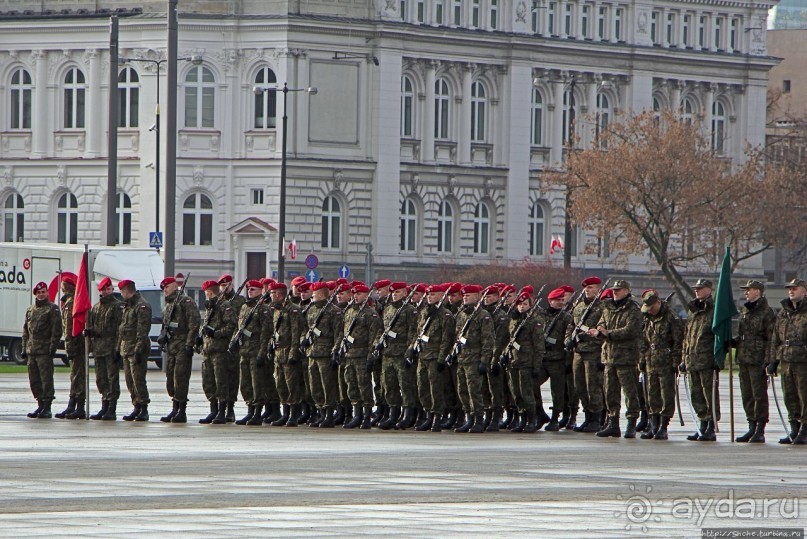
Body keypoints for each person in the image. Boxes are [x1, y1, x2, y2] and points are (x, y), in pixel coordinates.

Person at [592, 280, 643, 439]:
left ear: (627, 291)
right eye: (614, 290)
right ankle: (613, 423)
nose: (615, 292)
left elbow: (631, 330)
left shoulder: (633, 309)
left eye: (619, 290)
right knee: (610, 393)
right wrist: (599, 332)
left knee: (630, 392)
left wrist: (609, 333)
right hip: (609, 357)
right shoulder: (607, 308)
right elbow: (601, 324)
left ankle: (631, 424)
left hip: (626, 358)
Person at [734, 280, 775, 443]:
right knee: (747, 395)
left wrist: (768, 360)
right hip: (744, 358)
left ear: (758, 291)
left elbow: (771, 338)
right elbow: (743, 333)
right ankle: (751, 425)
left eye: (749, 290)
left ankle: (760, 428)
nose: (746, 293)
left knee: (759, 396)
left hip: (758, 359)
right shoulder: (745, 310)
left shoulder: (766, 312)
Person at [639, 289, 683, 440]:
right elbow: (643, 340)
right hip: (651, 360)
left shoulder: (671, 318)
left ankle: (663, 426)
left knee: (666, 395)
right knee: (652, 394)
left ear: (658, 303)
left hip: (666, 361)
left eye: (652, 307)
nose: (650, 311)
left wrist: (676, 361)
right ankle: (653, 425)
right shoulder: (647, 318)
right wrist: (642, 359)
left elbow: (678, 341)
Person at [410, 283, 454, 432]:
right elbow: (418, 333)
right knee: (422, 387)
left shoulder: (445, 315)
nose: (430, 297)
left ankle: (437, 417)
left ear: (441, 296)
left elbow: (446, 339)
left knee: (436, 388)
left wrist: (442, 358)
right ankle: (428, 414)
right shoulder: (423, 312)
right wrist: (412, 350)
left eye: (433, 294)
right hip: (422, 355)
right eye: (429, 294)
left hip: (435, 356)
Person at [680, 278, 719, 442]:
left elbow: (719, 335)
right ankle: (702, 424)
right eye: (696, 288)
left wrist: (718, 357)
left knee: (708, 393)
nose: (697, 290)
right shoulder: (693, 310)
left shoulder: (715, 310)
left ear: (709, 290)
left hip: (706, 359)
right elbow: (687, 336)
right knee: (696, 394)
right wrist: (683, 358)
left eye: (700, 288)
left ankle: (711, 425)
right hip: (692, 359)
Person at [157, 276, 201, 424]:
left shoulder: (185, 302)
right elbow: (166, 324)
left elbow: (194, 323)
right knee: (170, 378)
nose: (165, 290)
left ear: (175, 286)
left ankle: (181, 411)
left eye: (167, 287)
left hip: (182, 345)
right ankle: (174, 408)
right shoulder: (168, 305)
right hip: (171, 346)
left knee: (180, 377)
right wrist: (162, 337)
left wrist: (190, 344)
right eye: (163, 288)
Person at [452, 284, 495, 434]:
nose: (465, 298)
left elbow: (488, 340)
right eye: (464, 296)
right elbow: (457, 337)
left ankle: (478, 419)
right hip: (462, 358)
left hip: (475, 358)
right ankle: (468, 417)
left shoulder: (483, 315)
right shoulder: (462, 314)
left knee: (474, 391)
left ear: (477, 297)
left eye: (468, 295)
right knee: (462, 390)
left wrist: (484, 360)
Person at [301, 281, 344, 427]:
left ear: (320, 294)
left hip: (326, 353)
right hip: (312, 353)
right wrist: (303, 340)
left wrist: (335, 351)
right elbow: (305, 329)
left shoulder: (334, 311)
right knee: (315, 386)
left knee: (328, 385)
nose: (312, 295)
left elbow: (339, 334)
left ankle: (329, 415)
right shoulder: (311, 309)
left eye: (314, 293)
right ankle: (320, 413)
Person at [770, 278, 807, 445]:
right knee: (789, 395)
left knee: (804, 396)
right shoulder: (783, 312)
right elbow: (775, 338)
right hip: (786, 359)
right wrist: (773, 361)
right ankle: (794, 427)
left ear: (804, 291)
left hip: (803, 360)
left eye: (795, 288)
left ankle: (804, 430)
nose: (791, 291)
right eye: (789, 289)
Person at [377, 282, 418, 430]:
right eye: (393, 292)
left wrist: (409, 352)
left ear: (405, 293)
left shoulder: (410, 310)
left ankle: (408, 415)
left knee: (405, 385)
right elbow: (381, 329)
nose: (395, 294)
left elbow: (413, 333)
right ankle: (393, 414)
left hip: (401, 353)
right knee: (389, 386)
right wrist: (378, 344)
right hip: (388, 353)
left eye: (398, 292)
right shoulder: (388, 308)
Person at [342, 283, 383, 429]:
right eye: (354, 294)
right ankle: (356, 414)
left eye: (358, 294)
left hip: (362, 355)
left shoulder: (370, 314)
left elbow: (374, 338)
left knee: (364, 385)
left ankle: (366, 415)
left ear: (366, 295)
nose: (355, 296)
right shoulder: (349, 311)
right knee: (351, 385)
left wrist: (370, 357)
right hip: (349, 354)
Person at [568, 277, 606, 433]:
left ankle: (596, 418)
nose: (587, 290)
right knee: (580, 386)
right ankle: (587, 416)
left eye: (591, 287)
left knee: (593, 386)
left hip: (593, 351)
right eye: (586, 288)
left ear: (598, 289)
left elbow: (604, 330)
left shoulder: (603, 307)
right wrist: (568, 340)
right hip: (578, 351)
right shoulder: (578, 307)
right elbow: (571, 326)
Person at [504, 292, 545, 433]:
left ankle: (532, 420)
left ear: (530, 305)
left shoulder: (535, 321)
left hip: (527, 362)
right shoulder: (514, 320)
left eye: (525, 304)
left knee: (527, 393)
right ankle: (522, 419)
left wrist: (537, 366)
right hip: (514, 362)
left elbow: (539, 346)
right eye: (520, 304)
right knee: (516, 393)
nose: (522, 307)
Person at [198, 280, 237, 424]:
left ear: (209, 291)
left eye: (205, 292)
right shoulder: (211, 306)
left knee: (221, 381)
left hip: (220, 350)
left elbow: (231, 326)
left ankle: (222, 411)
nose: (205, 295)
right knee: (208, 382)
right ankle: (213, 410)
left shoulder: (224, 305)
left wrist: (216, 333)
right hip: (208, 350)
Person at [232, 280, 272, 425]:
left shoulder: (263, 309)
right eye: (249, 289)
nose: (250, 291)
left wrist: (262, 352)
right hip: (244, 351)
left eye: (254, 289)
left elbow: (265, 333)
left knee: (257, 383)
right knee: (246, 383)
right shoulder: (244, 307)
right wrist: (233, 342)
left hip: (255, 350)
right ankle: (250, 410)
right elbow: (239, 327)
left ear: (261, 291)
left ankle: (257, 412)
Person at [85, 277, 125, 421]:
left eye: (109, 289)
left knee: (112, 379)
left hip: (111, 348)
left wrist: (118, 348)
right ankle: (104, 405)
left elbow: (120, 329)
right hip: (98, 349)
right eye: (104, 289)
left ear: (112, 290)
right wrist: (89, 332)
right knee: (101, 379)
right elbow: (94, 327)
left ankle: (111, 408)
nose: (106, 292)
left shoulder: (118, 306)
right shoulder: (95, 308)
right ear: (100, 291)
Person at [21, 281, 61, 419]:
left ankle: (47, 406)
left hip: (44, 350)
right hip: (32, 350)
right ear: (35, 294)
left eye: (43, 291)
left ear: (47, 292)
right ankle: (40, 404)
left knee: (46, 379)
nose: (41, 294)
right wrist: (24, 348)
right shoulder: (30, 310)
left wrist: (52, 347)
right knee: (34, 380)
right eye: (39, 292)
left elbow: (56, 331)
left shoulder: (52, 309)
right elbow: (26, 330)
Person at [268, 281, 305, 427]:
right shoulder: (277, 310)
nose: (271, 296)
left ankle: (294, 415)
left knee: (292, 385)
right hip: (278, 352)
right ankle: (285, 413)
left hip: (289, 351)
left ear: (279, 294)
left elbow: (297, 333)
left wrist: (293, 353)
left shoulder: (293, 310)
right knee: (280, 384)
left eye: (272, 293)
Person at [537, 287, 574, 431]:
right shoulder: (540, 315)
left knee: (557, 391)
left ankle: (555, 418)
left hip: (558, 359)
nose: (560, 302)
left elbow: (568, 337)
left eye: (561, 300)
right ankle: (540, 413)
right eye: (557, 300)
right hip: (542, 359)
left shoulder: (566, 317)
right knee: (531, 384)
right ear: (550, 301)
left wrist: (567, 361)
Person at [118, 279, 153, 421]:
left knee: (138, 380)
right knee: (129, 381)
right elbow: (123, 329)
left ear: (126, 291)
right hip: (126, 348)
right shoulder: (128, 306)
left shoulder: (142, 306)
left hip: (136, 349)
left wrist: (138, 350)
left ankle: (143, 408)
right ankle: (136, 406)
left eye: (122, 292)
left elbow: (142, 331)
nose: (121, 295)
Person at [55, 272, 88, 420]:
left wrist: (70, 346)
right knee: (74, 375)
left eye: (63, 287)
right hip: (74, 344)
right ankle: (72, 404)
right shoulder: (69, 302)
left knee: (78, 375)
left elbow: (70, 329)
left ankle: (79, 406)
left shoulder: (73, 303)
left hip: (77, 345)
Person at [219, 274, 244, 422]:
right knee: (220, 377)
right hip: (220, 343)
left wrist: (235, 339)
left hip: (233, 344)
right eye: (222, 286)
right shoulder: (219, 301)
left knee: (232, 377)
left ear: (232, 285)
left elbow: (241, 322)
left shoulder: (240, 301)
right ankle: (219, 407)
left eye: (226, 285)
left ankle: (230, 408)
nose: (224, 288)